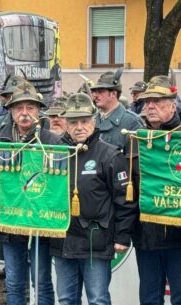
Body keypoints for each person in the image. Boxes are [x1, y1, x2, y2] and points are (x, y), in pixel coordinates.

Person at [51, 92, 136, 305]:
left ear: (94, 120)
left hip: (95, 241)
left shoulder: (110, 155)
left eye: (84, 121)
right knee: (66, 299)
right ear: (66, 124)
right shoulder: (55, 154)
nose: (79, 126)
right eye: (73, 122)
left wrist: (122, 236)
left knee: (98, 299)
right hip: (63, 239)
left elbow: (124, 200)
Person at [0, 83, 59, 305]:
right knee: (14, 283)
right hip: (10, 222)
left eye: (30, 108)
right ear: (11, 112)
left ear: (39, 111)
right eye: (19, 108)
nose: (25, 113)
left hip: (41, 224)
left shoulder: (53, 142)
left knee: (42, 282)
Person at [131, 76, 181, 305]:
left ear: (173, 105)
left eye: (157, 101)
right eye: (147, 101)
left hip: (178, 237)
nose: (150, 106)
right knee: (150, 298)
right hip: (147, 235)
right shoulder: (134, 139)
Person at [91, 71, 143, 154]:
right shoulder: (90, 120)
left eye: (100, 91)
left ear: (113, 94)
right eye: (94, 91)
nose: (95, 95)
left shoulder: (132, 122)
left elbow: (134, 161)